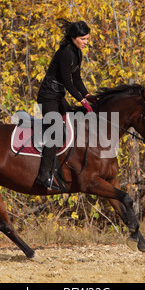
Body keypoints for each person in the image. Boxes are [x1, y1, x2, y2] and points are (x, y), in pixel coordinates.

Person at [36, 19, 96, 190]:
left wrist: (88, 95)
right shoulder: (65, 53)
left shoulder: (77, 53)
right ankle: (44, 175)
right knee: (56, 133)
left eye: (87, 39)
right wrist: (82, 101)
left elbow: (76, 79)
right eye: (83, 39)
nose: (86, 42)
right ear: (73, 37)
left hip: (58, 97)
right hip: (48, 98)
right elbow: (68, 83)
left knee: (75, 124)